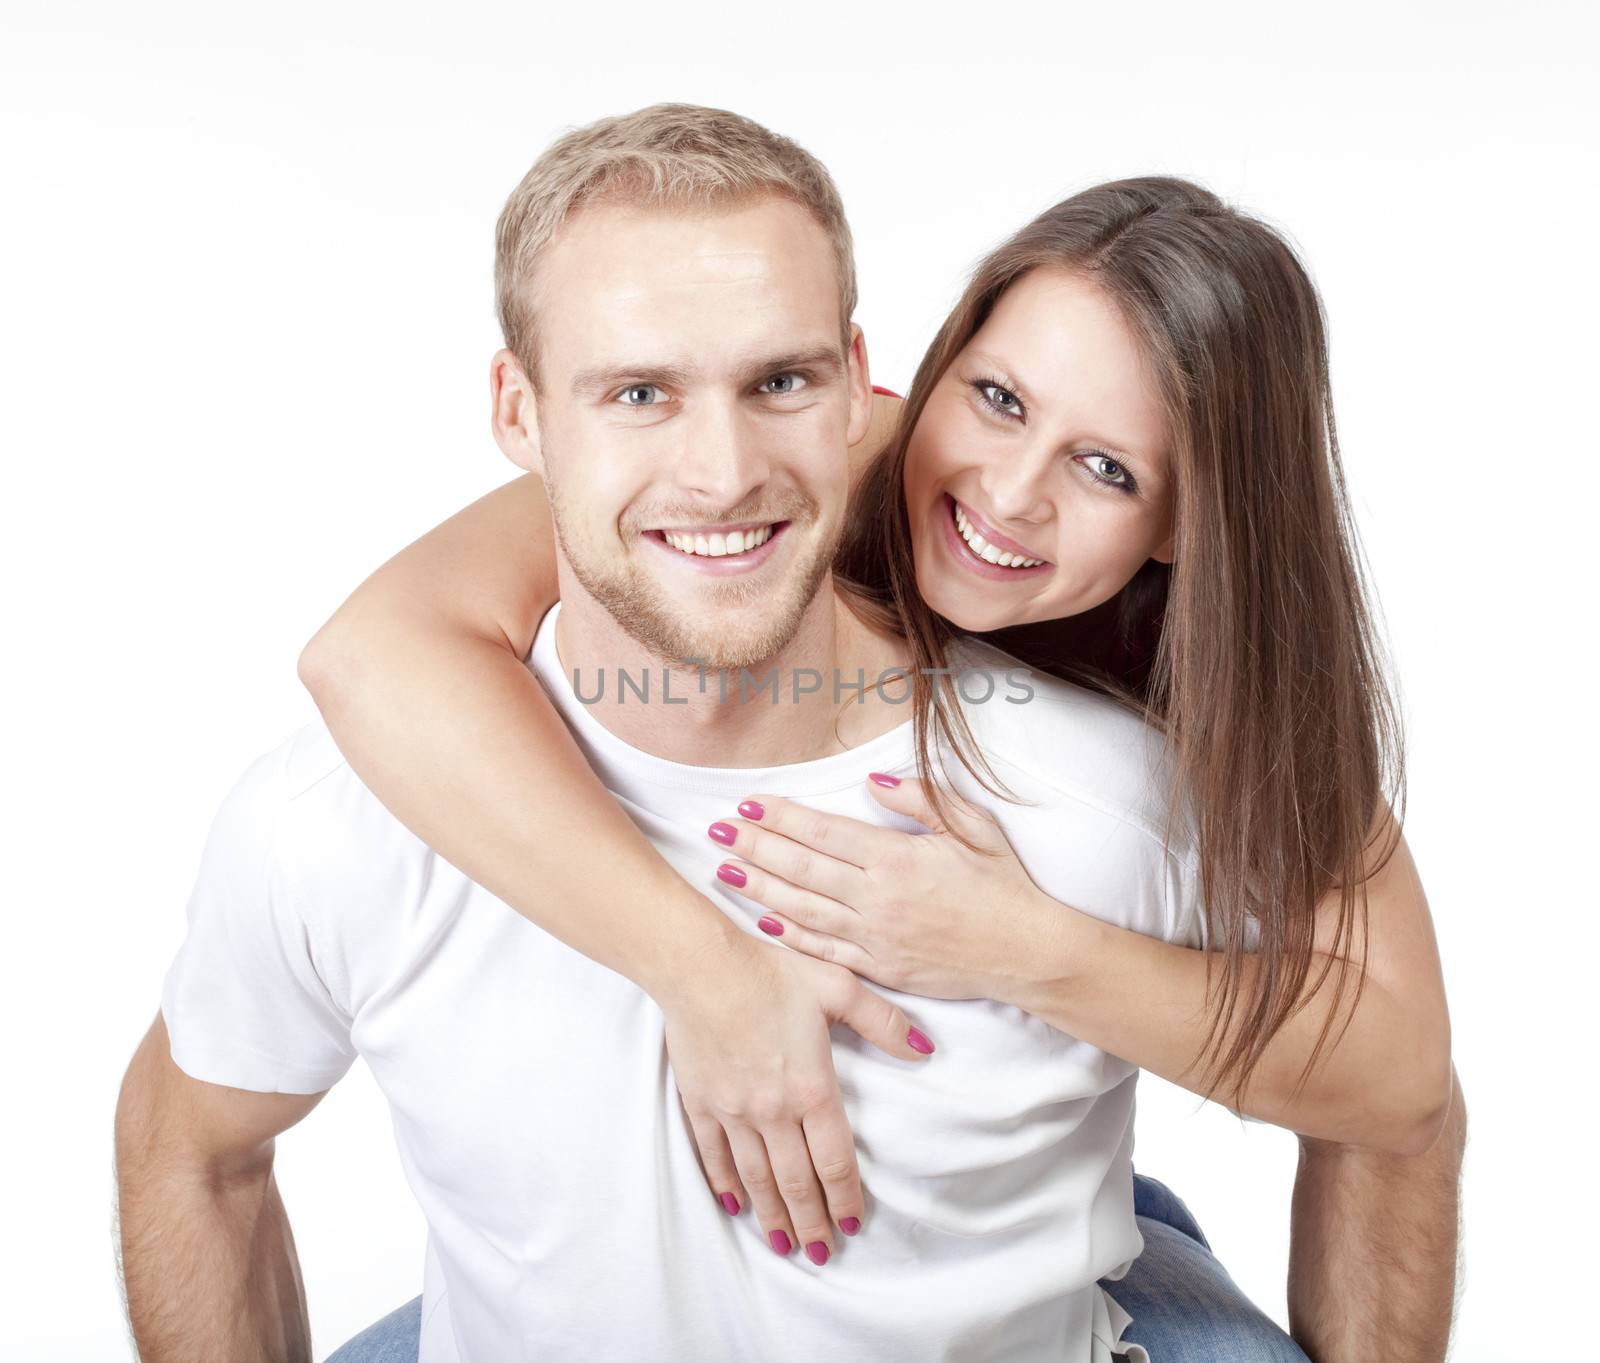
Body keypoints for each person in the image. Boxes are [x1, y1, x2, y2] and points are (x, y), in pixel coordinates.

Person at [297, 112, 1467, 1361]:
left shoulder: (1228, 691)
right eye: (998, 399)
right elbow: (370, 652)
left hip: (1050, 1231)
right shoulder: (787, 459)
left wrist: (1024, 947)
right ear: (912, 371)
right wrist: (708, 971)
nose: (1007, 494)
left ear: (1192, 522)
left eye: (1109, 470)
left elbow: (1400, 1088)